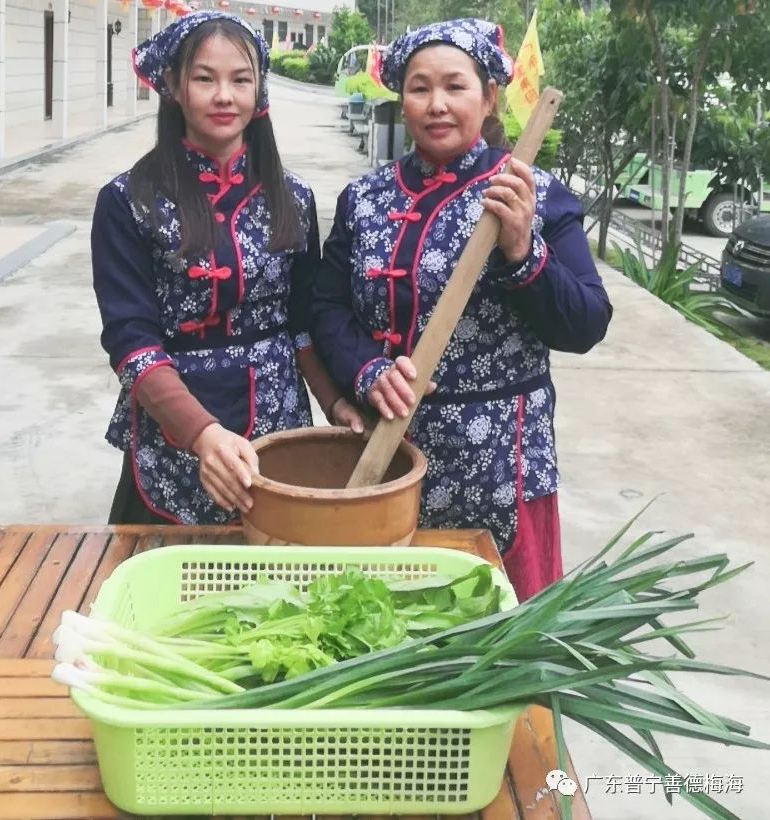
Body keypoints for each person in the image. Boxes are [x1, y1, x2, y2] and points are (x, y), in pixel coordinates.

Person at [310, 19, 612, 601]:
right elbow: (326, 305)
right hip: (388, 455)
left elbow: (586, 324)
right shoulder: (365, 198)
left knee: (500, 648)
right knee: (386, 629)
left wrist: (525, 252)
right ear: (402, 98)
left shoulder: (533, 194)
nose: (436, 104)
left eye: (455, 86)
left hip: (500, 464)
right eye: (420, 88)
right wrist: (368, 371)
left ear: (490, 95)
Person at [92, 11, 361, 525]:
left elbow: (301, 323)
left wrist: (333, 400)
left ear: (259, 91)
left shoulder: (294, 197)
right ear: (172, 84)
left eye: (240, 79)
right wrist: (202, 434)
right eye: (204, 78)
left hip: (278, 424)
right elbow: (132, 343)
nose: (224, 96)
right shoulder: (128, 201)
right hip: (173, 429)